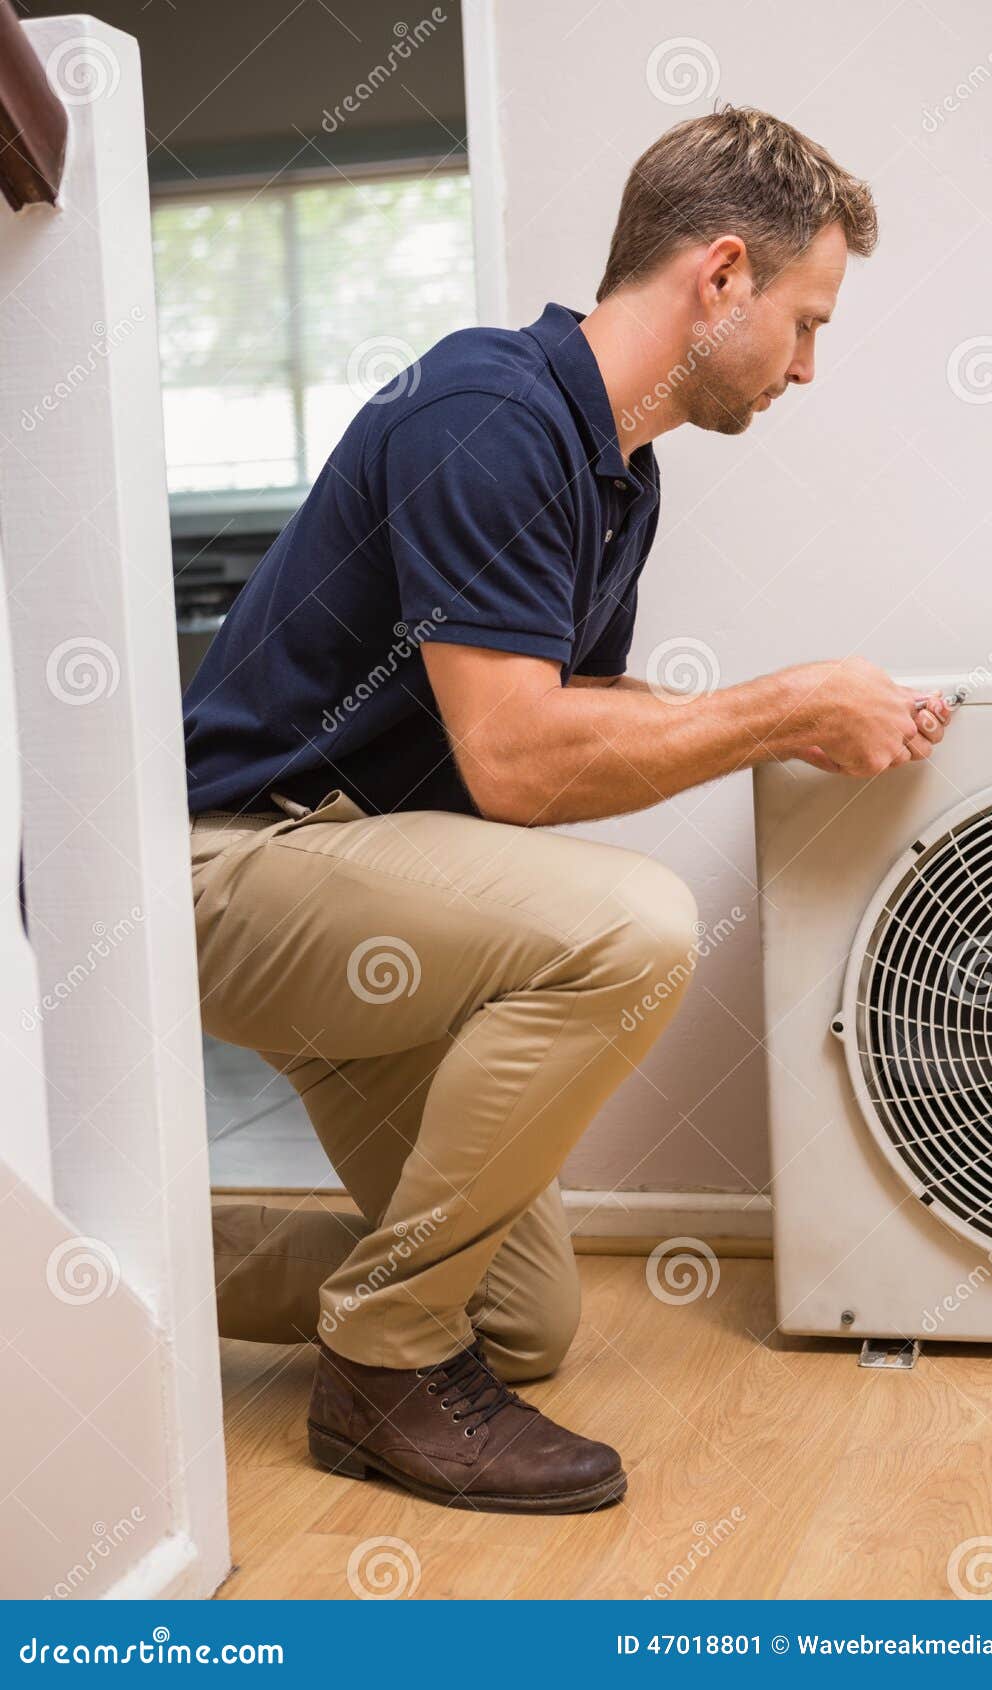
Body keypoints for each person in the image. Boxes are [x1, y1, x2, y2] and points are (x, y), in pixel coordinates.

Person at [185, 104, 951, 1515]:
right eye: (805, 321)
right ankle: (380, 1364)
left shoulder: (620, 476)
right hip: (232, 865)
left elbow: (559, 743)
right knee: (639, 925)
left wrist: (812, 721)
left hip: (356, 888)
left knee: (523, 1316)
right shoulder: (490, 412)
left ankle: (123, 1265)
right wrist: (784, 706)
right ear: (722, 275)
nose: (808, 366)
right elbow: (523, 765)